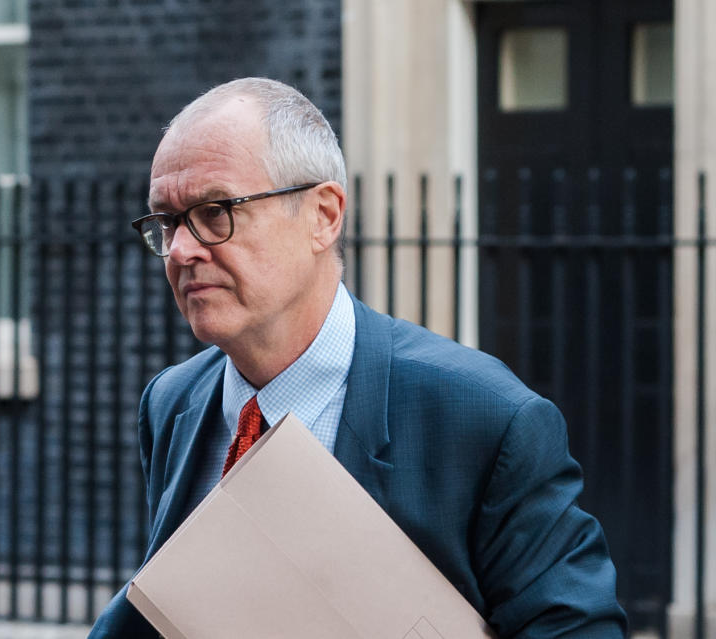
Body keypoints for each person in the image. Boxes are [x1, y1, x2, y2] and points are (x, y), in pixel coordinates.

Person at [89, 77, 626, 637]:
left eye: (214, 211)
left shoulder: (488, 419)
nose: (180, 250)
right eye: (167, 221)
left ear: (323, 215)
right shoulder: (172, 403)